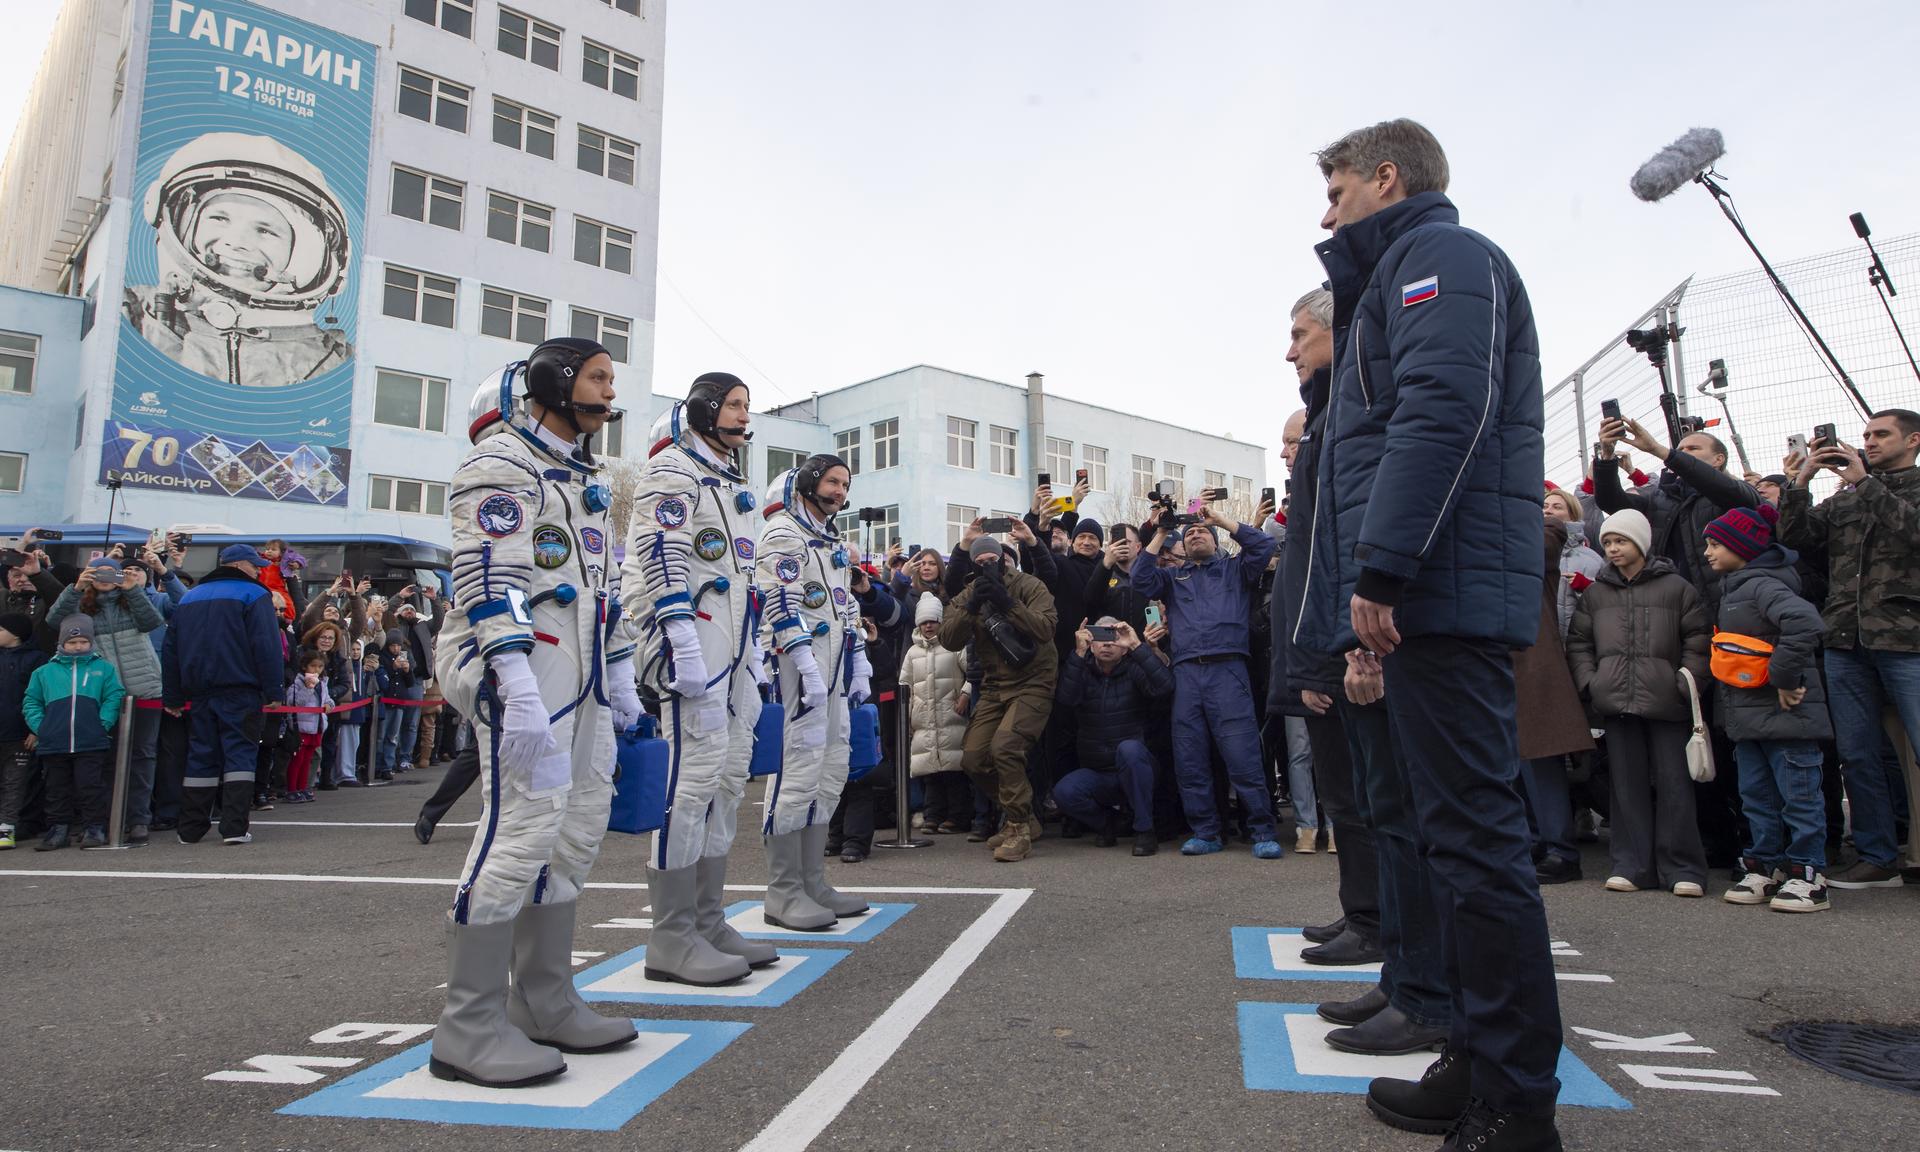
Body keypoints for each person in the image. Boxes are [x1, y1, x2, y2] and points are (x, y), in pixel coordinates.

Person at [1295, 119, 1562, 1145]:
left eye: (1335, 190)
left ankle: (1514, 1104)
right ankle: (1476, 1055)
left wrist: (1384, 570)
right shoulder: (1393, 279)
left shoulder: (1443, 258)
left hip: (1438, 591)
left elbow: (1443, 411)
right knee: (1456, 846)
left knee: (1479, 848)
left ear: (1386, 177)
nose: (1326, 214)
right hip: (1422, 596)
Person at [427, 339, 644, 1089]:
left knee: (578, 823)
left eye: (612, 380)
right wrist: (513, 680)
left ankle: (544, 998)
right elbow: (488, 572)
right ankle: (468, 1026)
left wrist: (620, 673)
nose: (608, 392)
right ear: (551, 381)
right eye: (596, 377)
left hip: (578, 671)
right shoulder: (503, 461)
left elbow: (603, 587)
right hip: (520, 666)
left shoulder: (585, 478)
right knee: (520, 827)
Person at [622, 372, 779, 983]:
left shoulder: (727, 481)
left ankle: (707, 918)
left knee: (728, 780)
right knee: (689, 786)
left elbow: (742, 578)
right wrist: (681, 640)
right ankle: (671, 935)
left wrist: (755, 650)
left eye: (747, 405)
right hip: (697, 651)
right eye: (734, 405)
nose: (744, 415)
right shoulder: (675, 472)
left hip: (733, 652)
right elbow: (660, 555)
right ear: (705, 410)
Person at [1778, 409, 1920, 889]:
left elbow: (1915, 532)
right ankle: (1878, 857)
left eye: (1881, 434)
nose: (1869, 442)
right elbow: (1796, 539)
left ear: (1914, 440)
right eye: (1865, 436)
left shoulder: (1896, 489)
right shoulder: (1847, 499)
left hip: (1908, 638)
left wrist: (1864, 482)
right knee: (1856, 754)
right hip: (1845, 639)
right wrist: (1801, 481)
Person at [756, 454, 880, 917]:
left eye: (845, 484)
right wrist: (803, 660)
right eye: (831, 482)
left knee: (829, 770)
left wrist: (860, 661)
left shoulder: (829, 541)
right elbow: (777, 599)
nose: (839, 492)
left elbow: (845, 606)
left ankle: (813, 882)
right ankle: (783, 889)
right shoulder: (784, 533)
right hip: (798, 669)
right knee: (796, 769)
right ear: (808, 481)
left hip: (833, 669)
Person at [1566, 509, 1711, 895]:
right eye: (1608, 542)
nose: (1613, 548)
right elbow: (1579, 643)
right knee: (1625, 787)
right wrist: (1591, 683)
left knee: (1675, 785)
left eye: (1621, 541)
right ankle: (1631, 866)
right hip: (1615, 700)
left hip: (1668, 702)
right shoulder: (1595, 594)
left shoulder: (1678, 588)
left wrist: (1686, 682)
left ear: (1641, 543)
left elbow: (1698, 640)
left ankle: (1683, 869)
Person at [1701, 505, 1835, 912]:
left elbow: (1806, 624)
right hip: (1750, 719)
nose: (1707, 552)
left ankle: (1809, 873)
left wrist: (1784, 678)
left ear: (1742, 547)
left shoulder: (1764, 586)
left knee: (1799, 796)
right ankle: (1766, 865)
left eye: (1715, 544)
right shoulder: (1734, 587)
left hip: (1787, 717)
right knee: (1755, 796)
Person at [1131, 504, 1280, 858]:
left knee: (1242, 754)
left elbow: (1263, 547)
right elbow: (1139, 578)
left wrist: (1221, 521)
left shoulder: (1235, 569)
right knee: (1190, 755)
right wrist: (1163, 532)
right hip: (1186, 672)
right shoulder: (1172, 577)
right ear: (1181, 546)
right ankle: (1206, 831)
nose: (1196, 533)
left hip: (1228, 670)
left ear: (1215, 541)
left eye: (1203, 531)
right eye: (1191, 532)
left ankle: (1261, 830)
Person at [938, 535, 1058, 863]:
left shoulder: (1030, 586)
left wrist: (1007, 603)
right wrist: (973, 605)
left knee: (1005, 746)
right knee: (974, 758)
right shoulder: (968, 593)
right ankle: (1024, 814)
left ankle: (1017, 826)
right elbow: (948, 639)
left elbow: (1046, 628)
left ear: (1008, 559)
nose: (989, 566)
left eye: (996, 560)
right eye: (982, 562)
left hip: (1034, 681)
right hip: (993, 685)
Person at [162, 544, 284, 846]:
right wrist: (273, 689)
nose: (259, 570)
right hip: (240, 690)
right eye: (255, 566)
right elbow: (266, 646)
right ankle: (233, 827)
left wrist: (173, 696)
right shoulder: (255, 595)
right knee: (239, 757)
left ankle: (190, 828)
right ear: (240, 565)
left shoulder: (190, 597)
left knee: (200, 758)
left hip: (199, 693)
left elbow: (171, 650)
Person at [46, 557, 165, 843]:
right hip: (101, 693)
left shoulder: (131, 598)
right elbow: (53, 621)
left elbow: (152, 621)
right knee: (103, 759)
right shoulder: (81, 602)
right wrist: (76, 588)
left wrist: (132, 589)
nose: (104, 577)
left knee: (143, 756)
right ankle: (106, 819)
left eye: (111, 572)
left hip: (144, 688)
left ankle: (139, 819)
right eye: (98, 572)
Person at [1516, 521, 1596, 885]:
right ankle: (1532, 843)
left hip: (1535, 673)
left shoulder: (1546, 532)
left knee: (1541, 768)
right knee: (1514, 771)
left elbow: (1543, 539)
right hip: (1503, 673)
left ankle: (1560, 851)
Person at [1054, 616, 1174, 854]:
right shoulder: (1083, 669)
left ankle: (1144, 831)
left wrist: (1137, 646)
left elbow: (1166, 687)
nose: (1107, 644)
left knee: (1129, 749)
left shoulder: (1134, 669)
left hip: (1137, 769)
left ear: (1124, 644)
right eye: (1101, 637)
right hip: (1099, 772)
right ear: (1091, 642)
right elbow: (1065, 700)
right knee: (1064, 791)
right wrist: (1078, 653)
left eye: (1114, 638)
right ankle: (1108, 824)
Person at [23, 616, 127, 851]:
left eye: (83, 641)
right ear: (62, 643)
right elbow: (32, 701)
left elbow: (113, 696)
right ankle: (58, 829)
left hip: (90, 739)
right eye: (72, 642)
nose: (78, 646)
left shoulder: (103, 668)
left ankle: (94, 827)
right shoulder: (44, 672)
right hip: (54, 741)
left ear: (91, 642)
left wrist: (103, 722)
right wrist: (42, 727)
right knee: (56, 788)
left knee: (90, 786)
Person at [902, 596, 973, 834]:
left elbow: (973, 673)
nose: (929, 626)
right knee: (930, 773)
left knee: (953, 771)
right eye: (924, 622)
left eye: (933, 621)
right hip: (923, 721)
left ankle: (958, 816)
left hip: (952, 717)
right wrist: (908, 716)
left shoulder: (955, 647)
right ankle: (933, 814)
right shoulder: (912, 653)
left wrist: (965, 693)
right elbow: (906, 686)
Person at [0, 613, 48, 849]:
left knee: (16, 783)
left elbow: (40, 698)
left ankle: (8, 827)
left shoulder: (36, 659)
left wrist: (35, 729)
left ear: (16, 634)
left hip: (20, 733)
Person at [280, 653, 330, 804]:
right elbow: (294, 703)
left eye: (320, 666)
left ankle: (303, 787)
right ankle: (292, 789)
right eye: (313, 666)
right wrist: (308, 688)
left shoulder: (322, 683)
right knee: (297, 759)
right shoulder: (297, 683)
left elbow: (327, 699)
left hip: (316, 726)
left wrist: (329, 705)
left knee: (308, 759)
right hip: (300, 727)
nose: (316, 670)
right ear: (304, 667)